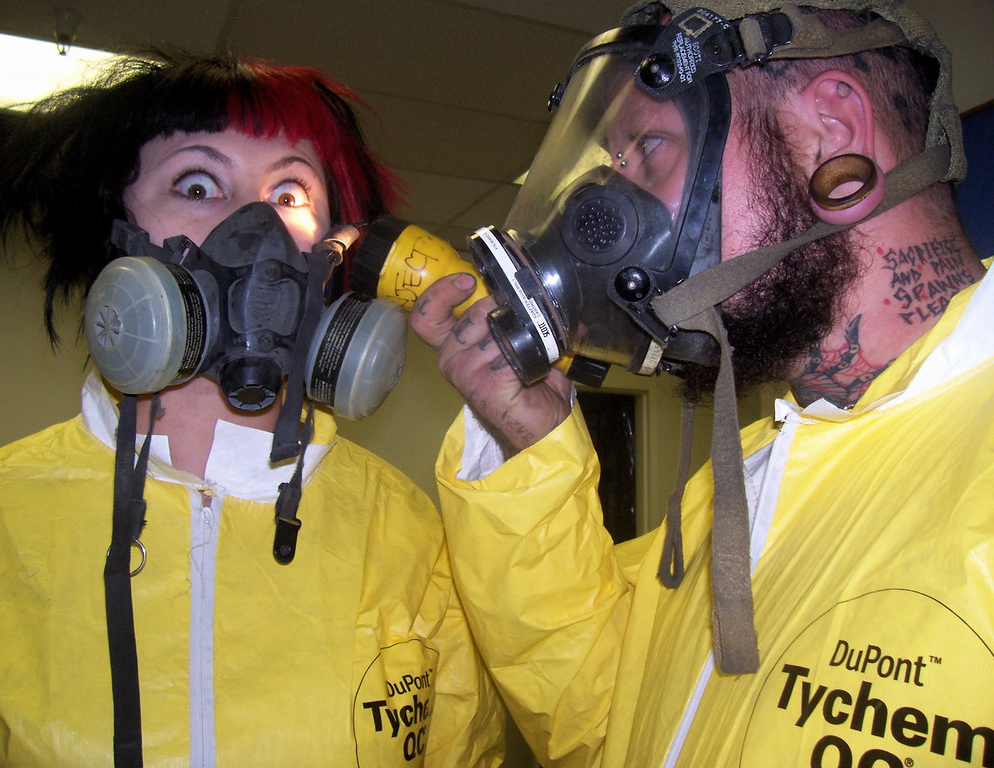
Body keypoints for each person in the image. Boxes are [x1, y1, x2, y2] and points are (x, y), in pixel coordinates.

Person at [410, 1, 993, 766]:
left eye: (648, 146)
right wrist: (530, 442)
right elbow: (605, 724)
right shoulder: (743, 485)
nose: (605, 209)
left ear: (832, 131)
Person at [0, 53, 504, 767]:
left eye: (290, 192)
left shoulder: (412, 536)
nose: (257, 227)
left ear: (336, 250)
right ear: (115, 229)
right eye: (197, 185)